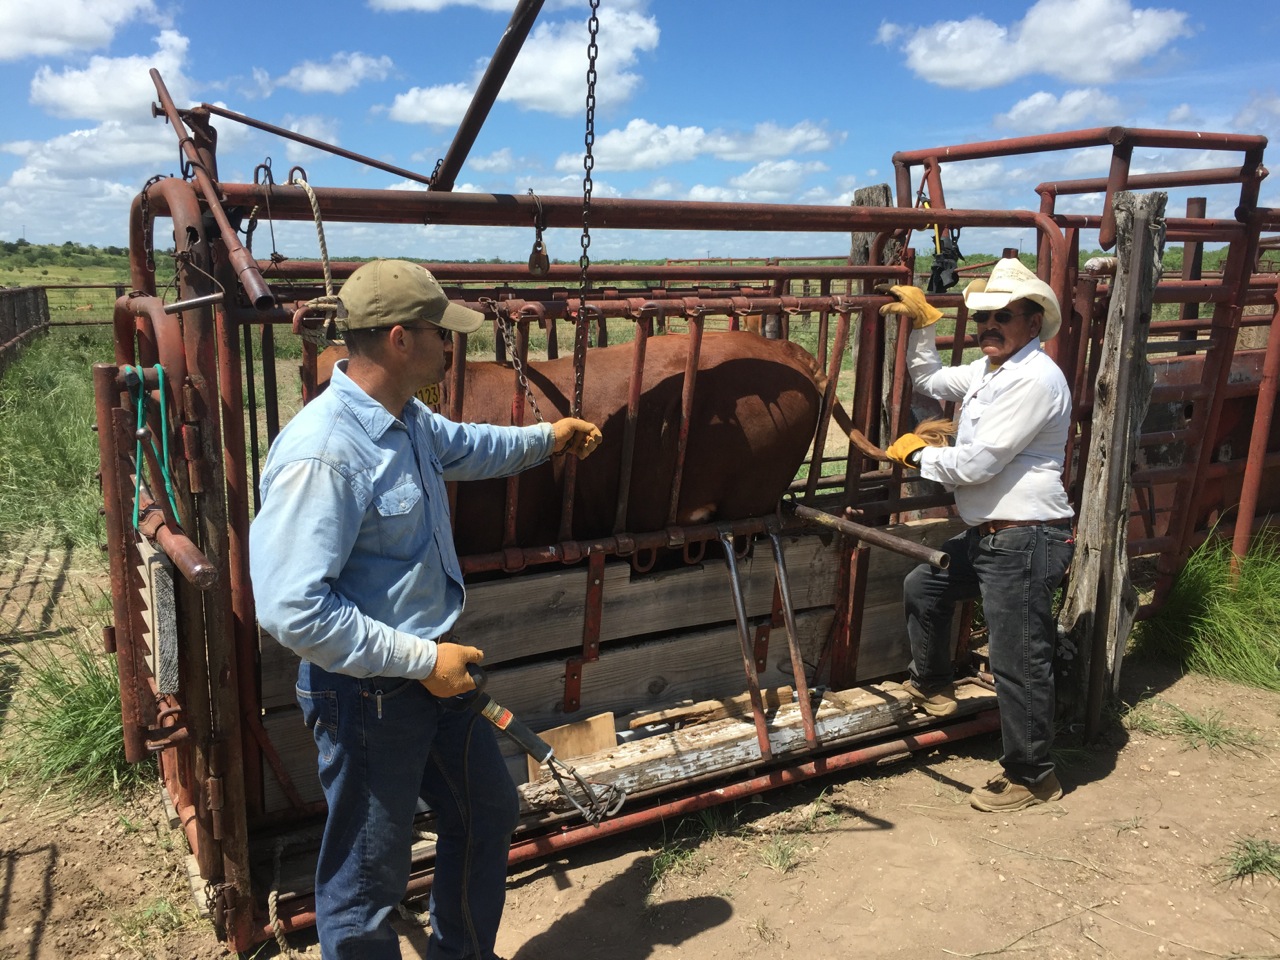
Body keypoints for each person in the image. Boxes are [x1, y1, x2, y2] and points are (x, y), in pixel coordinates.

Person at [249, 258, 603, 959]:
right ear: (400, 339)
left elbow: (467, 446)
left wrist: (547, 439)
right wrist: (421, 660)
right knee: (366, 879)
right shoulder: (326, 453)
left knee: (487, 810)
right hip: (369, 692)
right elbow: (293, 610)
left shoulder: (404, 419)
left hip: (434, 675)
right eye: (442, 333)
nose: (453, 346)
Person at [879, 256, 1076, 813]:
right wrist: (923, 328)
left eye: (1004, 316)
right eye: (985, 316)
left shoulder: (1034, 380)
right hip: (992, 535)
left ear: (1032, 323)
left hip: (1024, 536)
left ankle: (1033, 775)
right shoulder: (992, 371)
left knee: (1019, 658)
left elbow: (979, 464)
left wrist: (922, 456)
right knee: (926, 585)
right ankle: (934, 684)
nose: (991, 326)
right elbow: (931, 379)